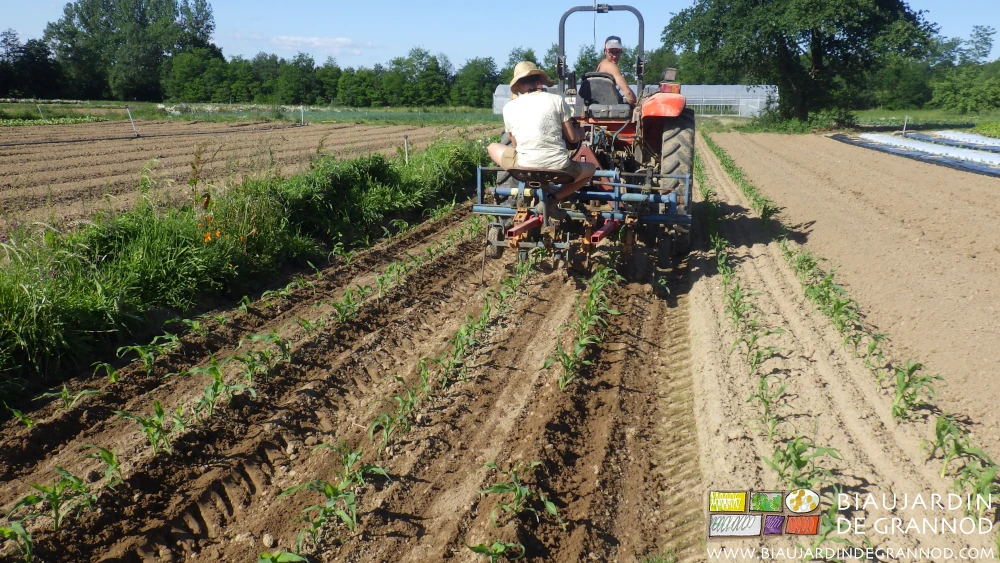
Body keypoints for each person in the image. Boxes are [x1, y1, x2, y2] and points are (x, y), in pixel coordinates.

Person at [487, 61, 595, 200]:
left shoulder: (509, 107)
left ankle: (527, 190)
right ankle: (554, 198)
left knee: (492, 147)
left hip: (524, 167)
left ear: (518, 85)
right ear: (538, 81)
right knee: (591, 168)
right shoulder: (556, 100)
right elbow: (572, 138)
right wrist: (581, 134)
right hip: (560, 169)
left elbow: (515, 145)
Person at [595, 35, 637, 107]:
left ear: (621, 52)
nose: (614, 56)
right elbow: (628, 93)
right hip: (608, 107)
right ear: (605, 51)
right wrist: (637, 104)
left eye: (617, 52)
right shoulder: (611, 66)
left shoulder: (601, 65)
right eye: (611, 52)